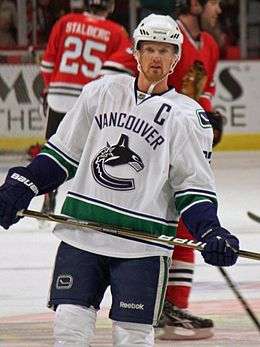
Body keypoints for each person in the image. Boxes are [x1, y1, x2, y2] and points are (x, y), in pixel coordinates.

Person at [0, 14, 239, 346]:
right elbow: (60, 154)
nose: (157, 57)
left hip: (142, 247)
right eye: (150, 48)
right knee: (69, 331)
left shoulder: (188, 117)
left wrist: (211, 230)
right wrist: (22, 184)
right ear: (136, 52)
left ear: (176, 58)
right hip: (82, 235)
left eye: (166, 50)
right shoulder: (100, 93)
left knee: (133, 338)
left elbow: (192, 188)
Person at [100, 0, 223, 340]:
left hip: (181, 144)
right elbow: (117, 78)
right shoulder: (163, 36)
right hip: (144, 147)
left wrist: (208, 119)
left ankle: (172, 305)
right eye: (213, 2)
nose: (219, 10)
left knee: (186, 220)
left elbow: (204, 93)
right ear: (195, 4)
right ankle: (150, 302)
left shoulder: (209, 45)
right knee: (157, 222)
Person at [37, 0, 130, 216]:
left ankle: (48, 193)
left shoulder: (65, 21)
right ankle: (93, 200)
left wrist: (49, 88)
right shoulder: (116, 31)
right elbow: (117, 70)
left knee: (54, 149)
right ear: (110, 6)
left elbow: (47, 64)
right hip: (89, 99)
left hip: (59, 95)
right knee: (96, 154)